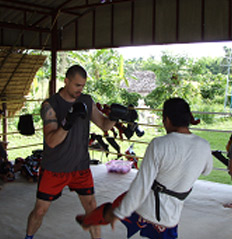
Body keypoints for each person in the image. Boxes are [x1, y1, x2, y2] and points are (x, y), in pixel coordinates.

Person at [77, 98, 213, 239]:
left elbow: (142, 185)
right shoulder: (204, 145)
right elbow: (207, 170)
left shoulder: (159, 144)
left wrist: (121, 212)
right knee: (118, 206)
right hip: (170, 214)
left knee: (115, 208)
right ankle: (89, 220)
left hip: (147, 207)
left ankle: (89, 220)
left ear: (166, 120)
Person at [24, 65, 117, 239]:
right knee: (40, 210)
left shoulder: (87, 101)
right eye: (76, 85)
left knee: (92, 208)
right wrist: (67, 122)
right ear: (66, 81)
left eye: (82, 85)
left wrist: (115, 117)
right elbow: (51, 141)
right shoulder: (50, 105)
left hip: (80, 167)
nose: (79, 90)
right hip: (54, 168)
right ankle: (28, 237)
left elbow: (104, 125)